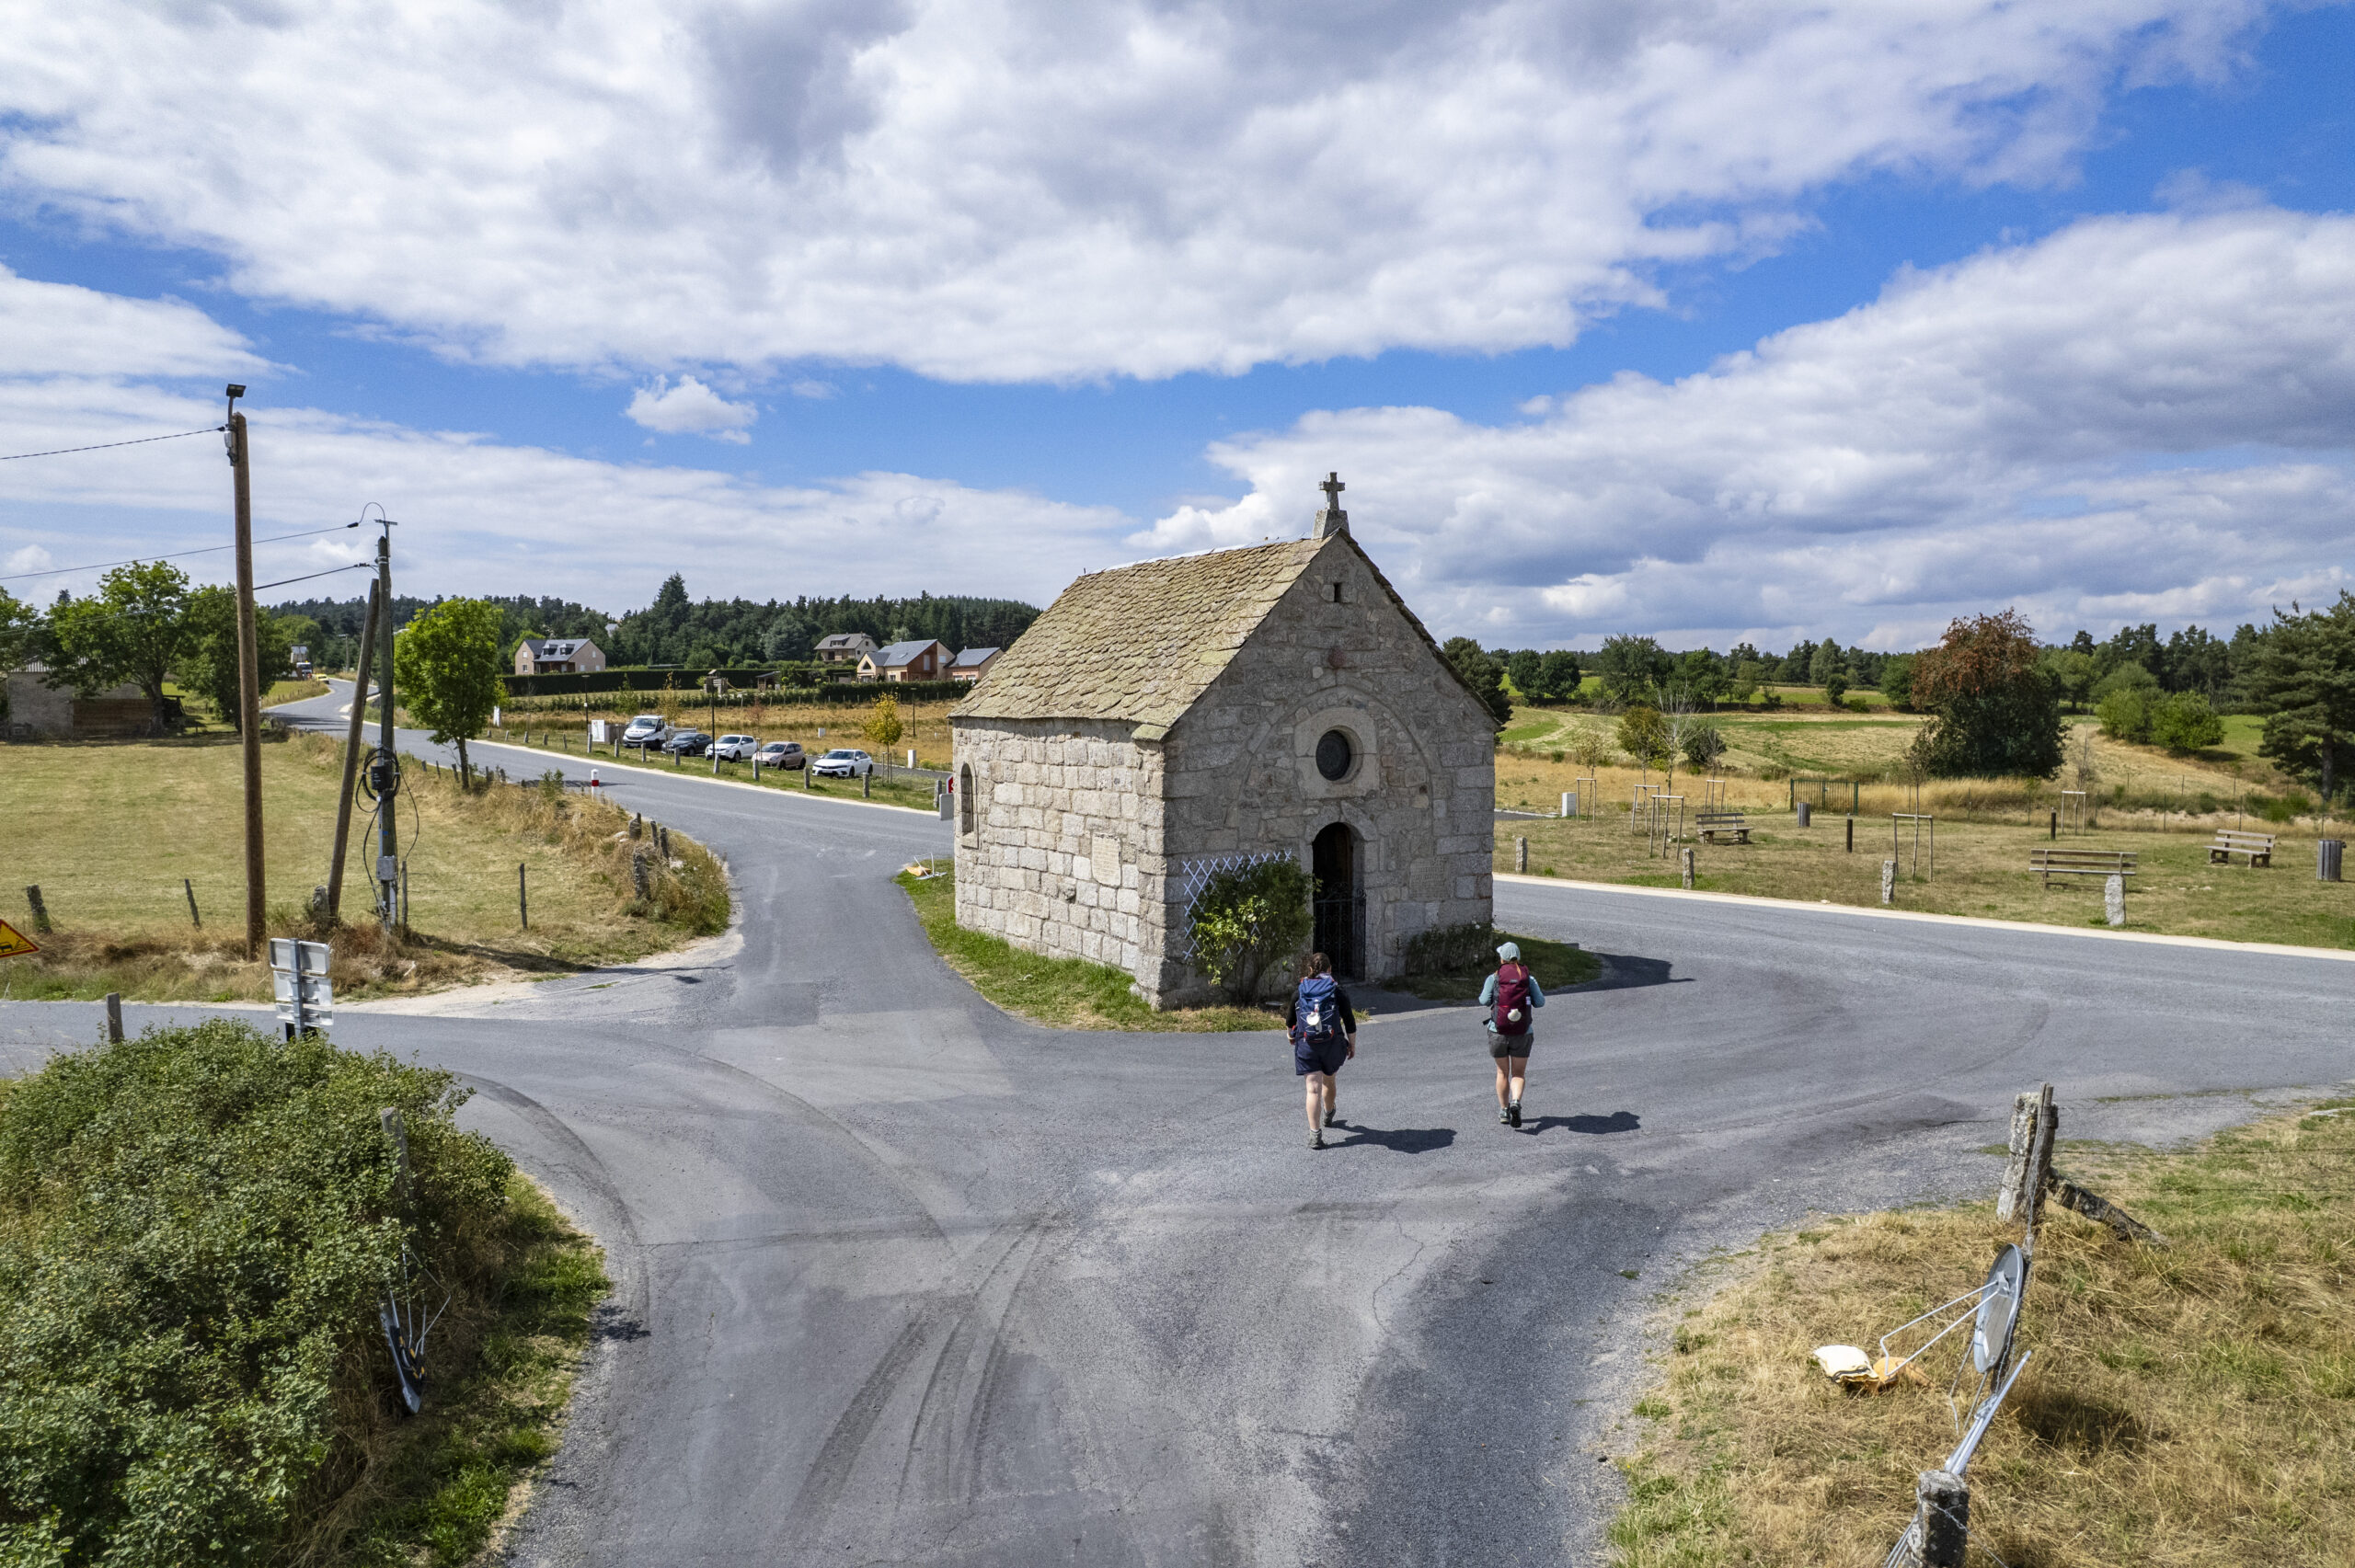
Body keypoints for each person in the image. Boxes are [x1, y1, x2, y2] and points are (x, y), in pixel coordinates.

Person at [1287, 951, 1357, 1149]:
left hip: (1307, 1045)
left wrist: (1291, 1036)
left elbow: (1290, 1020)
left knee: (1312, 1089)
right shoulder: (1336, 990)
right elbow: (1349, 1021)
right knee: (1329, 1080)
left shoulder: (1300, 990)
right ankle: (1329, 1112)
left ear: (1310, 969)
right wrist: (1352, 1044)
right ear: (1329, 969)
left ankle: (1315, 1134)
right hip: (1332, 1045)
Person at [1479, 940, 1545, 1127]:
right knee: (1518, 1073)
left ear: (1502, 958)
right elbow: (1540, 1002)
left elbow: (1484, 1000)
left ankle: (1504, 1110)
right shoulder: (1528, 978)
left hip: (1497, 1031)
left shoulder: (1494, 978)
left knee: (1502, 1072)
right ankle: (1515, 1101)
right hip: (1523, 1031)